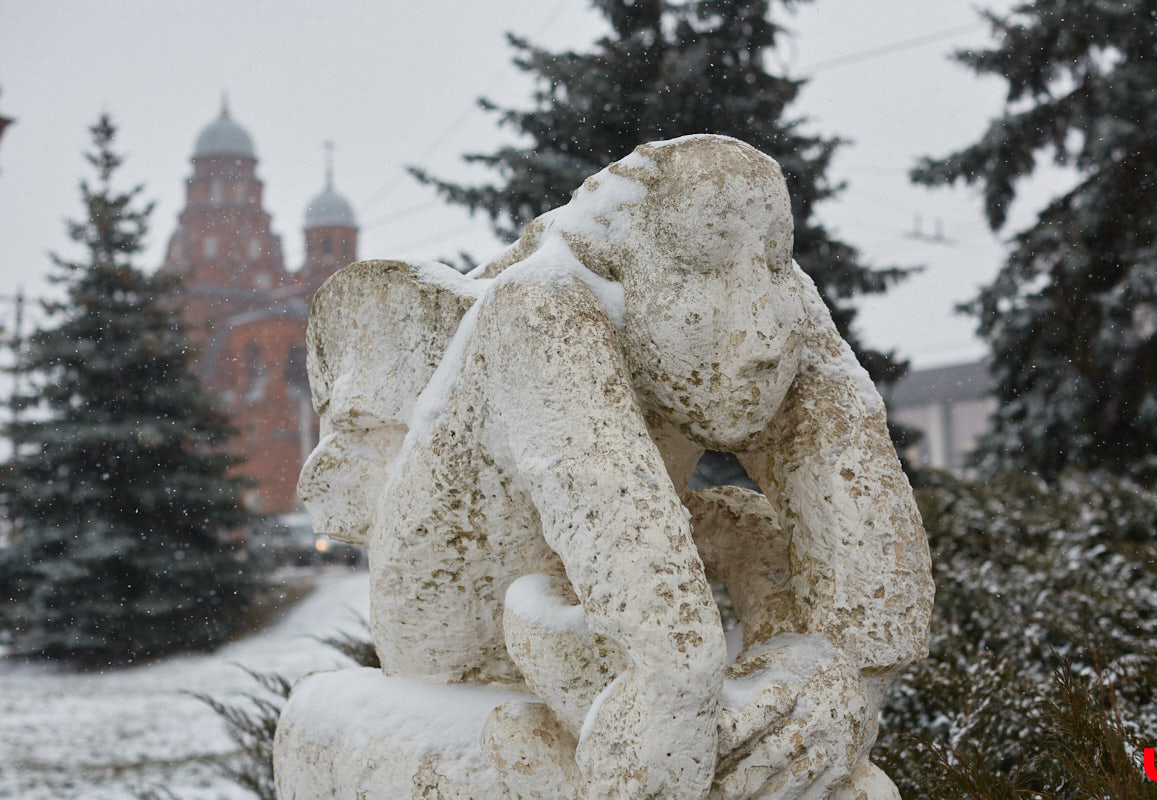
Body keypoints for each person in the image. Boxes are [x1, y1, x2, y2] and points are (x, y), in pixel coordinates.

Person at [295, 135, 932, 799]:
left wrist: (838, 693)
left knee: (743, 530)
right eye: (702, 270)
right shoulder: (540, 309)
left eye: (775, 263)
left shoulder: (771, 295)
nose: (764, 333)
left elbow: (875, 583)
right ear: (626, 264)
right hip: (468, 686)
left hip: (593, 654)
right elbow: (672, 653)